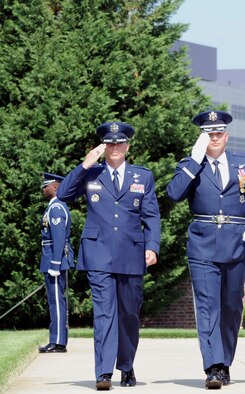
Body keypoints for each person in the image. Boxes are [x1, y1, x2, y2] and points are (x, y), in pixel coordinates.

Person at [166, 110, 245, 389]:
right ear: (201, 137)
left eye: (219, 133)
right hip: (202, 244)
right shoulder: (190, 165)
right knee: (207, 306)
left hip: (236, 243)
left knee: (232, 306)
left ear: (227, 135)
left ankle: (225, 362)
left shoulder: (244, 164)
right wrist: (195, 159)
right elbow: (173, 194)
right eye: (208, 133)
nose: (214, 137)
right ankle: (213, 366)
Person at [57, 122, 161, 390]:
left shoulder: (143, 177)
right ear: (104, 147)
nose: (115, 147)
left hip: (131, 254)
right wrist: (85, 164)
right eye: (110, 143)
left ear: (127, 146)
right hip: (98, 255)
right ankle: (103, 373)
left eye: (119, 143)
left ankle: (126, 366)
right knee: (104, 314)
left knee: (129, 315)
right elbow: (63, 194)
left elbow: (151, 215)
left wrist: (152, 246)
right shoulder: (92, 174)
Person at [38, 172, 74, 353]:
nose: (43, 189)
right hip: (53, 259)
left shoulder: (56, 209)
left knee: (57, 302)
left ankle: (58, 342)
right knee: (54, 301)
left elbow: (59, 238)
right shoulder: (54, 207)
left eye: (46, 186)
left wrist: (54, 264)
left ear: (55, 187)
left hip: (55, 261)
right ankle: (57, 339)